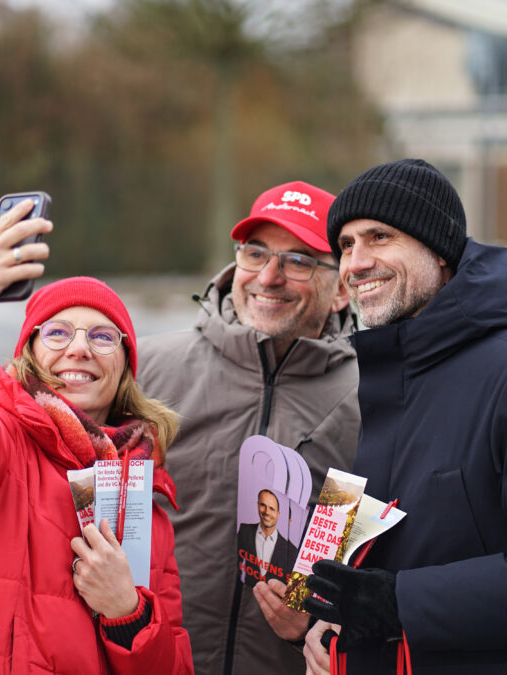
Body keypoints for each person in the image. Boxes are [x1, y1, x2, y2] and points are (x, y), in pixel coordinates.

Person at [301, 159, 507, 674]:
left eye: (379, 237)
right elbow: (379, 544)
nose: (356, 262)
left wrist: (398, 604)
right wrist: (322, 615)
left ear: (439, 250)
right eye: (345, 245)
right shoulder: (387, 374)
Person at [0, 198, 193, 674]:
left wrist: (128, 613)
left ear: (125, 366)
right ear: (30, 353)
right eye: (57, 333)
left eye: (102, 337)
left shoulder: (144, 496)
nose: (79, 348)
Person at [137, 181, 360, 674]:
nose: (269, 276)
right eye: (255, 253)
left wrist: (315, 620)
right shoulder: (144, 370)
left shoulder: (372, 399)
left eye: (299, 261)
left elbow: (376, 564)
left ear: (342, 288)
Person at [236, 489, 299, 585]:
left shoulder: (291, 551)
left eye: (272, 509)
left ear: (278, 514)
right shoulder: (245, 531)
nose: (266, 512)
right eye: (263, 505)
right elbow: (234, 566)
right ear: (257, 505)